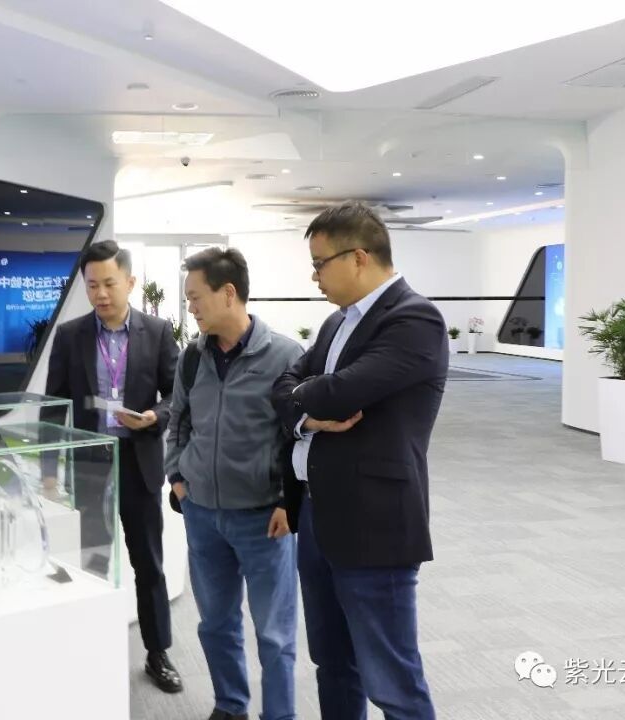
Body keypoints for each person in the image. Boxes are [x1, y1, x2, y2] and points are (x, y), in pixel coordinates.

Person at [272, 202, 446, 720]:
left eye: (320, 263)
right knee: (333, 664)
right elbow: (283, 388)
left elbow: (339, 393)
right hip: (316, 514)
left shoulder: (414, 319)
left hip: (375, 523)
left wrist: (307, 396)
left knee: (392, 682)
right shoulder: (336, 323)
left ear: (359, 257)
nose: (315, 276)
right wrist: (308, 412)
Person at [165, 247, 304, 720]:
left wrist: (289, 501)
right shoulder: (192, 357)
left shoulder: (285, 356)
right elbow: (178, 421)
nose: (190, 307)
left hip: (264, 519)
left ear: (228, 293)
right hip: (202, 514)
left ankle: (279, 715)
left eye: (195, 297)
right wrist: (177, 478)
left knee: (274, 634)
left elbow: (299, 438)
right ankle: (230, 705)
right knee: (216, 624)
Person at [44, 240, 182, 693]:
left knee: (149, 563)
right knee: (93, 562)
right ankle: (95, 651)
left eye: (109, 283)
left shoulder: (157, 332)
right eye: (92, 286)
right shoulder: (71, 336)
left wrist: (154, 417)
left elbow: (177, 395)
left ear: (130, 282)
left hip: (138, 462)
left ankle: (157, 653)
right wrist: (49, 470)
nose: (100, 294)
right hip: (91, 463)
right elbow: (53, 406)